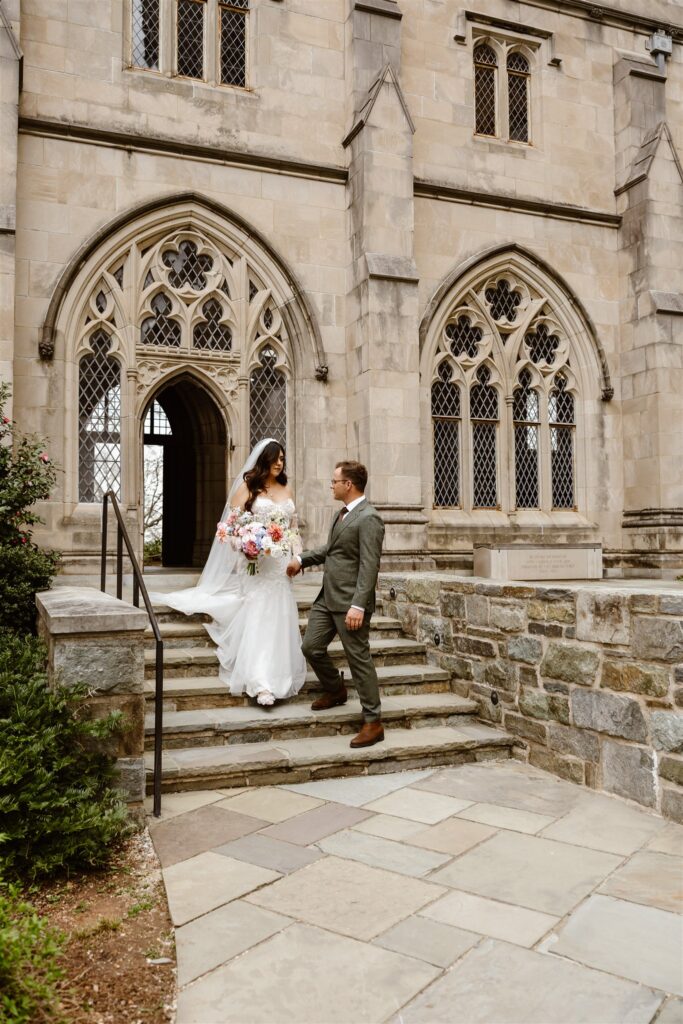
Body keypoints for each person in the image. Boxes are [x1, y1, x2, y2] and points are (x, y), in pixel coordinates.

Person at [151, 439, 306, 707]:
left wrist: (298, 557)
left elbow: (293, 530)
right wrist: (246, 547)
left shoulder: (286, 488)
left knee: (279, 614)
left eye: (282, 458)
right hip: (256, 564)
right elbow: (229, 530)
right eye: (275, 458)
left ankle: (280, 674)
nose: (280, 463)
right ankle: (260, 682)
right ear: (263, 461)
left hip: (281, 565)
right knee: (259, 612)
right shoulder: (248, 488)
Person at [287, 461, 385, 748]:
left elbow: (370, 566)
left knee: (359, 660)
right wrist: (302, 559)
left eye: (334, 481)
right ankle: (335, 689)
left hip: (350, 604)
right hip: (327, 598)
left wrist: (358, 605)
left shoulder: (369, 518)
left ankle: (373, 721)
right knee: (310, 647)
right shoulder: (341, 514)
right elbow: (332, 551)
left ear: (349, 485)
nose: (331, 485)